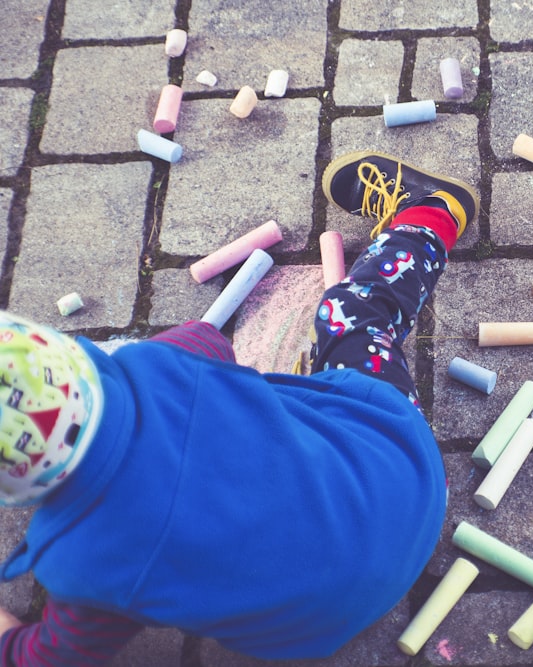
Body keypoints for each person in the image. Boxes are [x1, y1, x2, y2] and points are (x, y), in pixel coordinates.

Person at [0, 152, 479, 665]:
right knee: (351, 313)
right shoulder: (161, 365)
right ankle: (437, 212)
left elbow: (41, 658)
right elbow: (211, 342)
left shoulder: (83, 566)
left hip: (322, 623)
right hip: (406, 482)